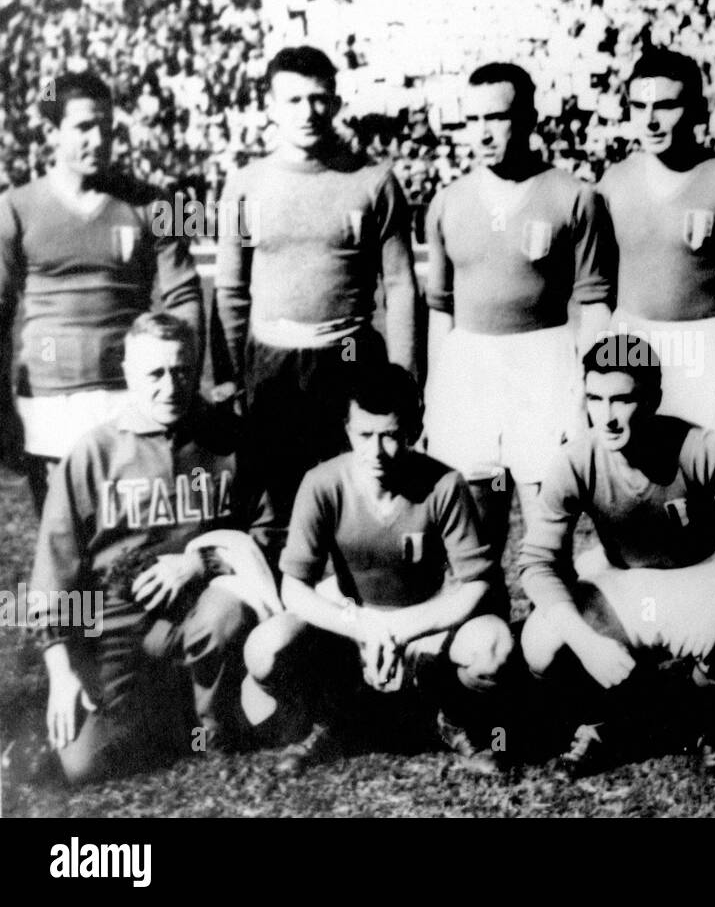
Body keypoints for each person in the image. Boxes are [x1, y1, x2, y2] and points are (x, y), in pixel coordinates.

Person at [517, 335, 715, 782]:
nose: (607, 415)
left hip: (698, 573)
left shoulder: (696, 446)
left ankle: (714, 725)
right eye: (596, 398)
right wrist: (586, 642)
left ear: (653, 399)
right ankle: (607, 719)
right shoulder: (576, 459)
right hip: (623, 578)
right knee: (543, 644)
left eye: (623, 399)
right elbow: (536, 561)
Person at [240, 363, 513, 776]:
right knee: (265, 649)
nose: (376, 451)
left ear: (413, 430)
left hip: (426, 624)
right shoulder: (322, 483)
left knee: (494, 647)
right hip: (353, 622)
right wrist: (361, 627)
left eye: (390, 436)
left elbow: (477, 585)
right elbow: (294, 589)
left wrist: (403, 631)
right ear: (347, 430)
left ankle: (454, 719)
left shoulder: (444, 484)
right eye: (364, 435)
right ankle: (325, 720)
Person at [30, 313, 260, 785]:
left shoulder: (228, 440)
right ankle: (165, 708)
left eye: (181, 370)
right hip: (116, 617)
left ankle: (210, 723)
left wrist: (202, 560)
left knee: (221, 619)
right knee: (87, 762)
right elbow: (52, 577)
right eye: (154, 373)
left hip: (201, 605)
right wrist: (60, 671)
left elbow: (270, 533)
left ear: (195, 366)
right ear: (129, 374)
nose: (170, 386)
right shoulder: (94, 453)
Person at [214, 46, 418, 558]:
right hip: (273, 357)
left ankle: (361, 613)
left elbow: (399, 285)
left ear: (337, 102)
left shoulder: (373, 181)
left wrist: (405, 378)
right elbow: (231, 290)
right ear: (271, 106)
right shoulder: (245, 185)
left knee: (356, 489)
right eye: (294, 99)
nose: (308, 112)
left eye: (319, 99)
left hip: (348, 352)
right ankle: (282, 620)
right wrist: (231, 376)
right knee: (276, 501)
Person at [424, 62, 612, 562]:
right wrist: (434, 391)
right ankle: (486, 635)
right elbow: (440, 310)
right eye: (473, 120)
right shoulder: (447, 203)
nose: (483, 133)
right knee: (473, 536)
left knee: (548, 533)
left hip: (543, 365)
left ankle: (552, 637)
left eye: (498, 118)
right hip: (470, 369)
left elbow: (594, 304)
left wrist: (588, 391)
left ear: (529, 118)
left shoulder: (575, 197)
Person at [0, 72, 202, 511]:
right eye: (84, 127)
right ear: (50, 132)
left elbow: (186, 295)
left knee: (137, 540)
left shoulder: (160, 202)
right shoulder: (13, 207)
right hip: (51, 399)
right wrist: (2, 409)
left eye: (108, 127)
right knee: (63, 545)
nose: (100, 139)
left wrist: (181, 381)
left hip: (133, 391)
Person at [595, 47, 715, 455]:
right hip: (632, 345)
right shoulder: (613, 185)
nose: (651, 120)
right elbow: (596, 296)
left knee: (706, 491)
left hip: (704, 352)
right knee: (636, 490)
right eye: (639, 106)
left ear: (696, 109)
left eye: (667, 106)